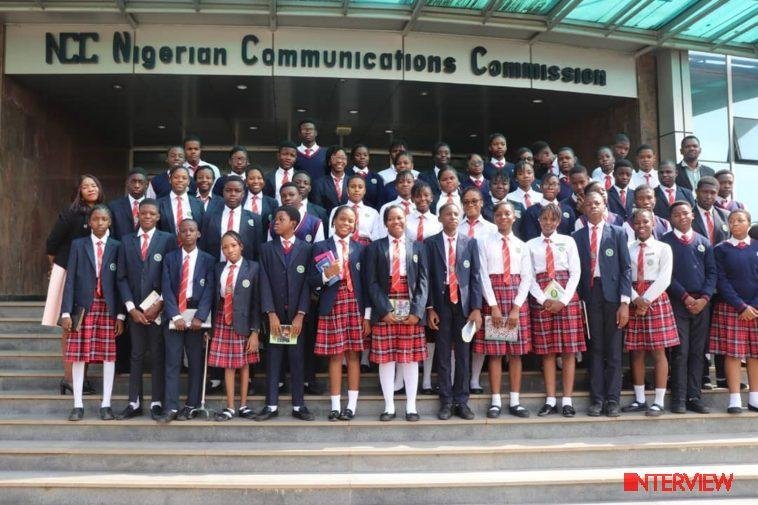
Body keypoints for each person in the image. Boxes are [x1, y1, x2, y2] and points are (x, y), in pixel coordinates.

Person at [60, 205, 125, 421]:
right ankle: (77, 404)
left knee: (108, 357)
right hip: (83, 307)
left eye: (104, 219)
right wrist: (66, 312)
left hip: (108, 307)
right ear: (90, 222)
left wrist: (121, 315)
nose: (99, 223)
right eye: (95, 219)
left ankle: (106, 405)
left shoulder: (117, 246)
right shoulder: (78, 245)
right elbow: (70, 281)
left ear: (109, 222)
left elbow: (120, 282)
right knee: (79, 355)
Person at [365, 205, 429, 421]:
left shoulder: (418, 247)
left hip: (410, 304)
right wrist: (383, 310)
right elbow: (371, 282)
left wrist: (417, 311)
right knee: (386, 359)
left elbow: (423, 281)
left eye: (400, 218)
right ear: (385, 223)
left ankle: (411, 406)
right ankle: (389, 406)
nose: (396, 222)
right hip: (385, 305)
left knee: (410, 359)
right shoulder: (375, 248)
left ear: (405, 220)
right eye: (391, 219)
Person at [44, 175, 106, 395]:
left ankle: (81, 378)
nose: (90, 189)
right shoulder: (71, 213)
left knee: (85, 326)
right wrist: (59, 267)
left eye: (93, 185)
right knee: (70, 325)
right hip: (68, 272)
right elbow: (52, 243)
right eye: (85, 186)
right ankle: (69, 379)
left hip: (91, 275)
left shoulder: (103, 212)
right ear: (79, 191)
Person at [116, 199, 177, 421]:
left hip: (158, 309)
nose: (148, 217)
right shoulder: (126, 241)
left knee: (158, 354)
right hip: (135, 310)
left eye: (152, 213)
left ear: (158, 216)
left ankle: (157, 402)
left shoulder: (168, 240)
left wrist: (160, 304)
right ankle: (134, 402)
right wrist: (131, 309)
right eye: (144, 213)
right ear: (138, 216)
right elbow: (121, 277)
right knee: (136, 355)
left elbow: (171, 275)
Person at [573, 191, 631, 418]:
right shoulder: (576, 236)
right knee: (595, 349)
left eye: (596, 203)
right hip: (589, 296)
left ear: (604, 204)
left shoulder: (617, 233)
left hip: (614, 297)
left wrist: (625, 302)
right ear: (583, 208)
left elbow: (626, 268)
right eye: (588, 204)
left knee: (614, 351)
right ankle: (597, 400)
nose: (592, 207)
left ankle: (613, 401)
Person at [256, 206, 315, 422]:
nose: (275, 223)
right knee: (273, 358)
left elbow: (308, 284)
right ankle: (271, 405)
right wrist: (270, 313)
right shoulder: (266, 249)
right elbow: (263, 282)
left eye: (281, 219)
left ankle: (299, 405)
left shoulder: (307, 249)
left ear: (294, 223)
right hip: (275, 316)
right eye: (274, 219)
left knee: (297, 359)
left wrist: (301, 314)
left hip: (296, 316)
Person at [311, 206, 370, 420]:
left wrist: (368, 315)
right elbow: (312, 280)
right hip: (332, 303)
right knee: (335, 356)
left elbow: (367, 283)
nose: (346, 223)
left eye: (351, 221)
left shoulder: (361, 249)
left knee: (354, 354)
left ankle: (351, 406)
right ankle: (335, 405)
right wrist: (327, 274)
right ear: (334, 221)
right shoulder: (320, 247)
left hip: (355, 303)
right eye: (342, 219)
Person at [425, 203, 483, 421]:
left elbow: (476, 277)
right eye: (447, 214)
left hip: (464, 305)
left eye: (456, 214)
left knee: (462, 353)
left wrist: (476, 308)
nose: (452, 217)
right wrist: (430, 308)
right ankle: (446, 401)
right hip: (441, 304)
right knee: (442, 352)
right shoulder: (430, 243)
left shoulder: (470, 243)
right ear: (440, 218)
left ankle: (462, 400)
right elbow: (427, 277)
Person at [475, 201, 532, 418]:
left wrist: (517, 307)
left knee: (516, 354)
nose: (503, 217)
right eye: (498, 214)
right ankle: (496, 401)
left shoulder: (521, 246)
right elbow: (483, 276)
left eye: (507, 213)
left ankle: (515, 401)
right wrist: (493, 307)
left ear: (514, 216)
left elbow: (527, 278)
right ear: (494, 218)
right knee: (496, 354)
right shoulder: (484, 242)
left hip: (516, 299)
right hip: (495, 298)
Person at [527, 203, 584, 418]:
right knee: (547, 351)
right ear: (539, 220)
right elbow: (529, 276)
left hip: (565, 296)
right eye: (544, 219)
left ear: (559, 222)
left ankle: (567, 400)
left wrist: (564, 300)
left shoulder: (568, 241)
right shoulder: (530, 245)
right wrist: (543, 300)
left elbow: (575, 273)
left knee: (568, 351)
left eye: (553, 219)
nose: (548, 223)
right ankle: (551, 399)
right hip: (542, 297)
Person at [660, 201, 716, 414]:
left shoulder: (703, 242)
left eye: (685, 213)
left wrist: (704, 298)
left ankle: (694, 396)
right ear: (671, 218)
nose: (681, 217)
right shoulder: (666, 242)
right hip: (678, 303)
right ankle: (679, 398)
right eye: (676, 214)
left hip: (702, 304)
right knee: (680, 352)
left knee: (698, 352)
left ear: (692, 215)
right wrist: (684, 297)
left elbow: (712, 273)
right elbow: (667, 275)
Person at [621, 209, 678, 417]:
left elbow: (665, 277)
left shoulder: (664, 248)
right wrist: (636, 298)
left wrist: (647, 300)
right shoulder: (627, 248)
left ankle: (659, 401)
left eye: (645, 222)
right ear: (632, 225)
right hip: (635, 298)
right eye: (637, 223)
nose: (641, 226)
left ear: (653, 222)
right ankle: (640, 399)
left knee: (658, 351)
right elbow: (624, 275)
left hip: (656, 299)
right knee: (636, 352)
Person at [158, 218, 215, 423]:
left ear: (198, 234)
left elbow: (210, 289)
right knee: (172, 363)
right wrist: (175, 315)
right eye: (184, 231)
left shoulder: (208, 259)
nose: (188, 234)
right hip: (175, 315)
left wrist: (200, 316)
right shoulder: (170, 258)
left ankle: (191, 404)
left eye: (192, 230)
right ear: (178, 235)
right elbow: (166, 288)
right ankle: (171, 406)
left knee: (195, 362)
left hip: (196, 318)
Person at [208, 231, 261, 421]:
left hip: (244, 322)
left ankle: (244, 405)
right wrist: (209, 327)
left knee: (244, 364)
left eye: (233, 245)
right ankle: (230, 406)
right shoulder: (218, 268)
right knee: (227, 365)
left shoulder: (253, 268)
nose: (229, 250)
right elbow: (212, 299)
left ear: (241, 246)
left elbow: (256, 302)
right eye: (224, 247)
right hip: (223, 317)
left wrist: (255, 332)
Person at [710, 210, 757, 413]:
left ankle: (755, 398)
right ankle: (735, 398)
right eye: (732, 221)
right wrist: (740, 306)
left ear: (748, 223)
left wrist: (753, 305)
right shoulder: (721, 249)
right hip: (731, 307)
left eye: (740, 220)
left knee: (756, 354)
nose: (735, 224)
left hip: (756, 309)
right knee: (733, 354)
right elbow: (721, 280)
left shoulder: (757, 246)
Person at [458, 187, 497, 395]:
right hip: (462, 290)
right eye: (466, 202)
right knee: (462, 335)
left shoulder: (492, 228)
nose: (470, 205)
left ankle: (474, 379)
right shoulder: (457, 226)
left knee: (482, 336)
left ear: (482, 203)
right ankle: (460, 377)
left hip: (486, 287)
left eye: (474, 201)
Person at [406, 180, 442, 393]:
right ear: (412, 198)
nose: (422, 199)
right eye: (418, 195)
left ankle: (427, 379)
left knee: (431, 332)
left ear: (432, 197)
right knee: (413, 326)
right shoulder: (406, 220)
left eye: (426, 195)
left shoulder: (438, 222)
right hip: (411, 277)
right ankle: (407, 377)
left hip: (433, 276)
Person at [200, 176, 262, 262]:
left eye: (237, 191)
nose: (232, 194)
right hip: (215, 269)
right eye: (228, 190)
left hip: (244, 272)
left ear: (243, 194)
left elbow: (257, 250)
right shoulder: (210, 216)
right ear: (223, 192)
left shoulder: (255, 219)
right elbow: (203, 247)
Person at [327, 174, 379, 246]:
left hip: (367, 248)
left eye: (360, 187)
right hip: (342, 245)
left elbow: (376, 238)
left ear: (364, 191)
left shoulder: (373, 212)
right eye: (352, 187)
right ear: (347, 190)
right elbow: (331, 234)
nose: (356, 190)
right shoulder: (337, 210)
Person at [521, 173, 575, 241]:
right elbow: (530, 238)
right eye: (547, 184)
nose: (550, 187)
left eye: (554, 184)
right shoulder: (531, 211)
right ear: (540, 187)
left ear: (559, 188)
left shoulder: (568, 210)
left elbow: (572, 234)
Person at [156, 166, 204, 237]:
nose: (180, 180)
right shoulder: (159, 203)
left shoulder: (198, 203)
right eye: (176, 177)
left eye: (184, 178)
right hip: (167, 246)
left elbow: (202, 228)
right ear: (170, 180)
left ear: (188, 182)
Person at [108, 168, 148, 241]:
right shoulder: (114, 207)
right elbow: (111, 234)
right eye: (133, 182)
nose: (137, 185)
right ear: (127, 183)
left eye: (140, 182)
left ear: (146, 185)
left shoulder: (154, 207)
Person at [375, 169, 416, 238]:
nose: (405, 184)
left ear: (414, 185)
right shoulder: (386, 207)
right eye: (401, 182)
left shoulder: (419, 207)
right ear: (396, 186)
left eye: (409, 182)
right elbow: (382, 231)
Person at [311, 145, 350, 214]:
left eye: (343, 158)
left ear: (346, 161)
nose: (340, 161)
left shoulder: (352, 182)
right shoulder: (319, 184)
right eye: (336, 158)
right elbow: (317, 210)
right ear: (329, 161)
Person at [692, 176, 729, 247]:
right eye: (705, 192)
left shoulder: (726, 215)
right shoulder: (688, 215)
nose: (708, 196)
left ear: (717, 194)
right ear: (697, 192)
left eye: (713, 193)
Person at [242, 166, 278, 232]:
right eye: (251, 178)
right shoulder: (240, 200)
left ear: (264, 182)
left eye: (259, 178)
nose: (256, 181)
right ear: (246, 182)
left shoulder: (272, 203)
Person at [350, 143, 382, 208]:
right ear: (352, 157)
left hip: (372, 215)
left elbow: (380, 200)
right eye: (358, 155)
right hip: (349, 213)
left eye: (365, 155)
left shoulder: (376, 177)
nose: (362, 157)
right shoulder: (346, 175)